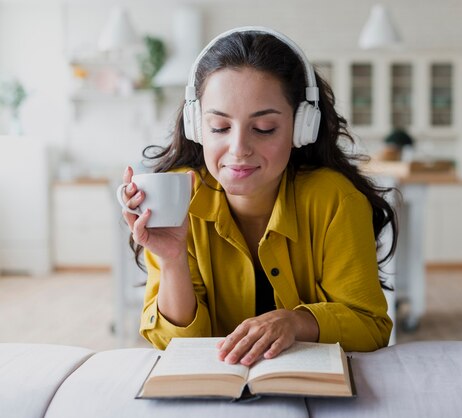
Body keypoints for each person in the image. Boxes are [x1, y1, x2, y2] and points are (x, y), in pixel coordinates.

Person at [120, 26, 398, 366]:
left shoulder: (335, 200)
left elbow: (371, 329)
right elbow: (174, 346)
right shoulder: (178, 197)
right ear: (197, 127)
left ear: (301, 127)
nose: (238, 149)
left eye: (264, 128)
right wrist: (172, 258)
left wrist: (296, 322)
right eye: (219, 128)